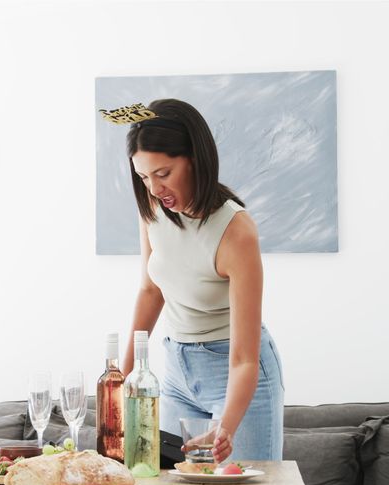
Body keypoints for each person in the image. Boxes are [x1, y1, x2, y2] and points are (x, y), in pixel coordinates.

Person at [119, 99, 284, 463]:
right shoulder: (152, 211)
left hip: (235, 370)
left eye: (163, 174)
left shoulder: (235, 232)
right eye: (144, 177)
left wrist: (226, 426)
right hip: (176, 367)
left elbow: (244, 360)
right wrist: (123, 373)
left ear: (194, 158)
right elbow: (150, 289)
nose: (154, 189)